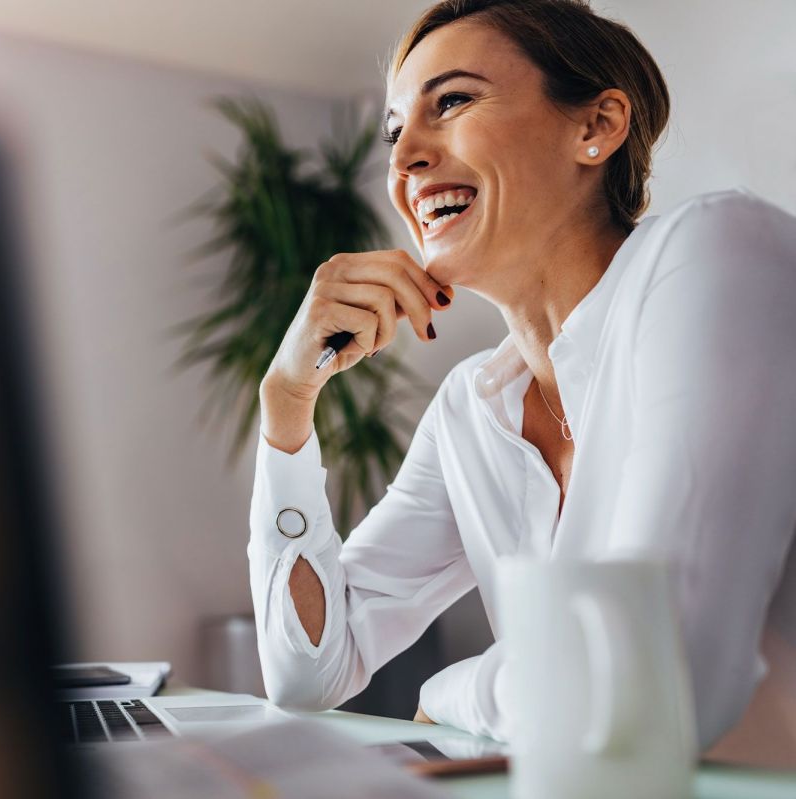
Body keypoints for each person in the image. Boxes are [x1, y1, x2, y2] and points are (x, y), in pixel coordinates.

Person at [248, 0, 796, 767]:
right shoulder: (471, 410)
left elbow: (658, 681)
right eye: (395, 130)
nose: (404, 157)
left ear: (595, 127)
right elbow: (308, 670)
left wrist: (448, 693)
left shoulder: (718, 249)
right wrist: (286, 406)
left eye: (454, 101)